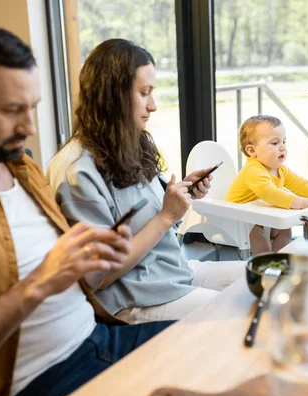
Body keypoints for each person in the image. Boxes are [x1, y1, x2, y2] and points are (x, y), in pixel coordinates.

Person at [0, 26, 173, 396]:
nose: (30, 127)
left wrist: (88, 252)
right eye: (11, 110)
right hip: (35, 380)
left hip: (98, 338)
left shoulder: (22, 166)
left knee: (218, 347)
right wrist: (40, 283)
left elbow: (58, 264)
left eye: (32, 107)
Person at [47, 39, 243, 324]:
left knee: (268, 278)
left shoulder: (129, 146)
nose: (153, 105)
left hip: (174, 273)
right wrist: (166, 216)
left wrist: (181, 196)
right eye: (143, 93)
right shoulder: (77, 171)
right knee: (239, 314)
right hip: (134, 296)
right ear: (111, 95)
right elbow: (96, 278)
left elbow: (154, 221)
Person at [226, 115, 308, 255]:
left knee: (285, 230)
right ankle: (266, 262)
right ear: (252, 151)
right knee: (258, 238)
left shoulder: (279, 169)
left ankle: (278, 259)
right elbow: (271, 194)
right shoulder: (253, 170)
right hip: (239, 219)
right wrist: (303, 202)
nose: (282, 148)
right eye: (275, 143)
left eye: (284, 142)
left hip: (261, 215)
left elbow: (299, 183)